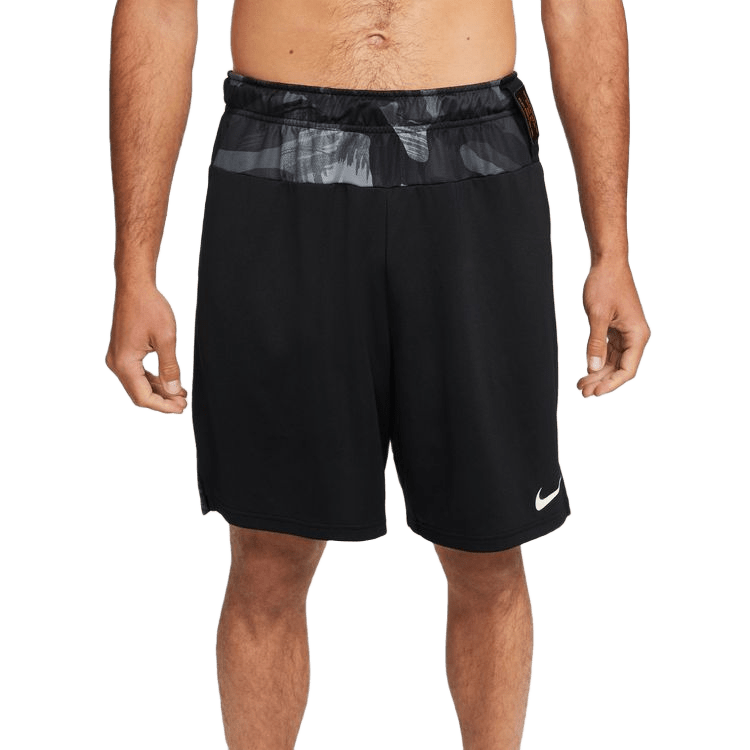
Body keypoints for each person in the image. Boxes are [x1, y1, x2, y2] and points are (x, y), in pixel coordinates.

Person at [104, 0, 652, 748]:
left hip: (476, 158)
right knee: (267, 555)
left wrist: (613, 250)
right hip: (278, 158)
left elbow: (583, 9)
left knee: (490, 550)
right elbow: (159, 12)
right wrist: (134, 271)